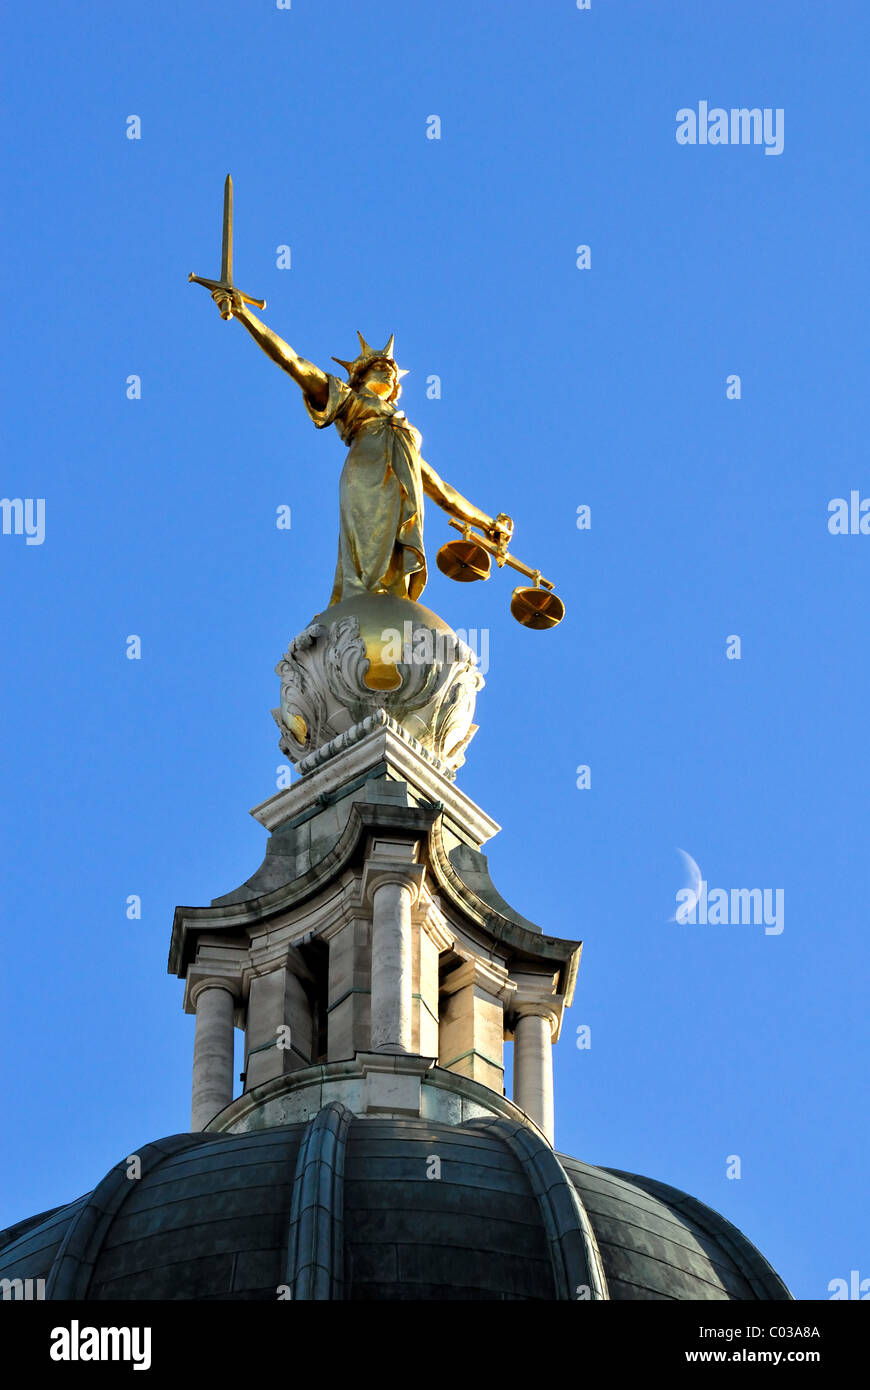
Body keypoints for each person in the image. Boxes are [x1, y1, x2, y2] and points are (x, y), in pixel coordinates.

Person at [211, 288, 511, 605]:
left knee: (395, 566)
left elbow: (440, 489)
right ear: (360, 377)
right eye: (378, 367)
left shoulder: (406, 434)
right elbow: (293, 363)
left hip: (401, 485)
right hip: (366, 477)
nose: (388, 370)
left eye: (392, 370)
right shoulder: (350, 401)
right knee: (368, 547)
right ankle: (363, 603)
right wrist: (245, 314)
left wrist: (487, 524)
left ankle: (390, 600)